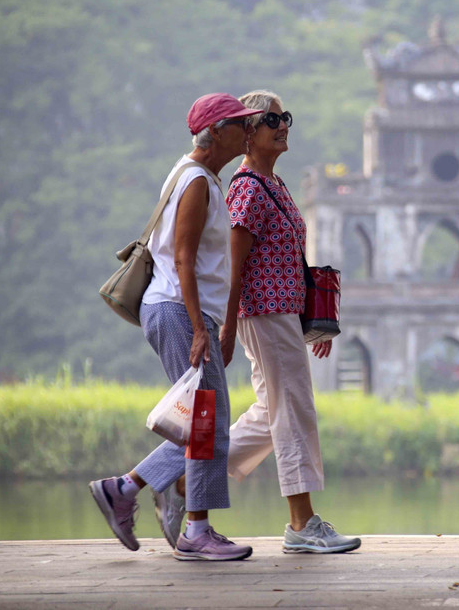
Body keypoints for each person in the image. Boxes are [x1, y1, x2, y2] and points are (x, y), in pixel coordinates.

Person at [154, 89, 360, 554]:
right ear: (248, 133)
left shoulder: (275, 184)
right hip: (261, 311)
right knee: (294, 409)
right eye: (271, 120)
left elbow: (288, 261)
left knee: (272, 414)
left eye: (286, 116)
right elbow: (235, 265)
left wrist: (314, 322)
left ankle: (185, 483)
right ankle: (301, 524)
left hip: (283, 311)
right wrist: (225, 327)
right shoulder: (246, 187)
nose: (282, 125)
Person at [89, 93, 263, 561]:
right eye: (239, 125)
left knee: (206, 422)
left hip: (183, 311)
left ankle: (127, 491)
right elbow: (183, 258)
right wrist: (200, 327)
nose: (247, 132)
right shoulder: (196, 181)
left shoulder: (201, 176)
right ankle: (192, 530)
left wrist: (212, 323)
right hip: (176, 309)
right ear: (215, 132)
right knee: (207, 423)